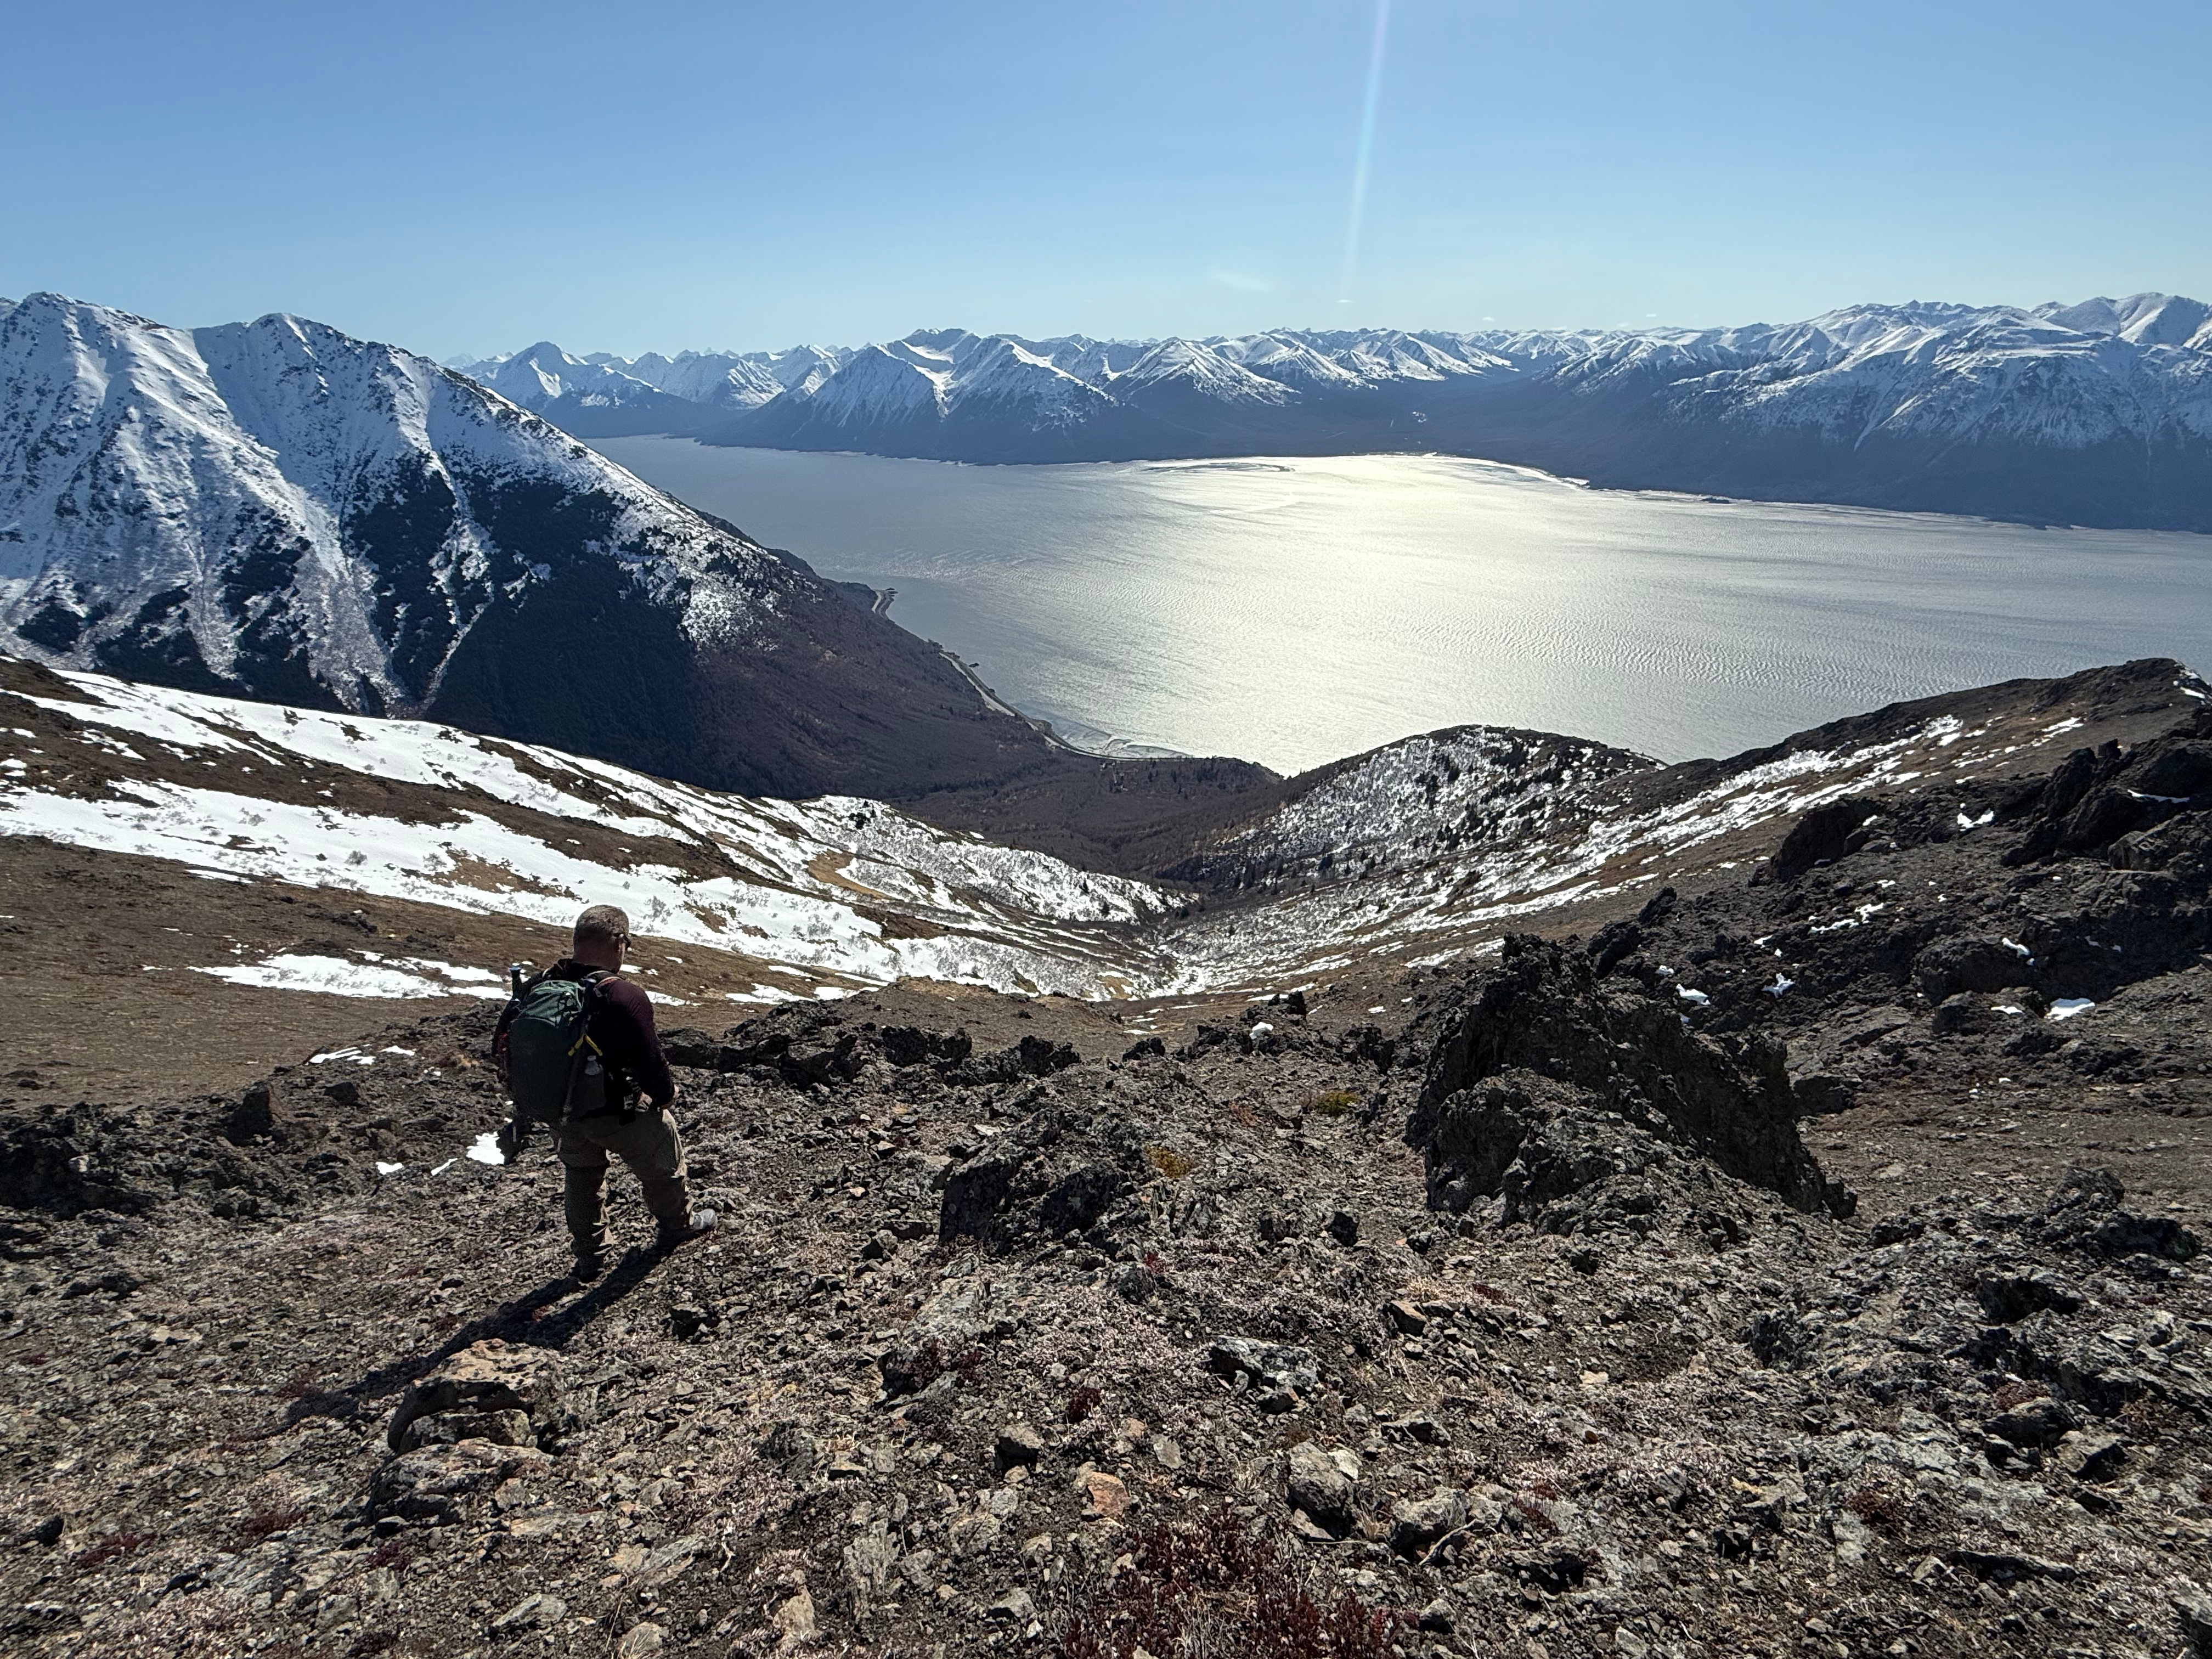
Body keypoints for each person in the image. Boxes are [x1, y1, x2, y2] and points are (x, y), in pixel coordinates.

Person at [495, 904, 715, 1282]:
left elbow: (502, 1044)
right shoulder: (623, 995)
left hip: (562, 1111)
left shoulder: (539, 988)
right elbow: (650, 1059)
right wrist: (663, 1096)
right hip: (617, 1111)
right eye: (627, 943)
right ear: (618, 942)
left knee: (581, 1177)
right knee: (663, 1157)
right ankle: (677, 1226)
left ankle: (590, 1257)